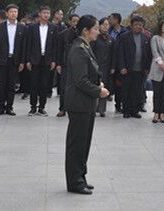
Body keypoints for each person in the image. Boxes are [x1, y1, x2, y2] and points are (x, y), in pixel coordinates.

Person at [64, 15, 109, 195]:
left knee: (84, 143)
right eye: (95, 28)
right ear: (85, 30)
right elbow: (80, 80)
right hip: (79, 103)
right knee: (77, 144)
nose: (98, 31)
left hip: (87, 103)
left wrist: (98, 83)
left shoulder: (85, 46)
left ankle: (81, 177)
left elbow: (90, 73)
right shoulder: (78, 49)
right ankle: (74, 182)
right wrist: (99, 91)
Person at [115, 15, 152, 119]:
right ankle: (126, 110)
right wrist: (122, 67)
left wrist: (147, 68)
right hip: (127, 69)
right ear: (131, 26)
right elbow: (120, 53)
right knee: (126, 90)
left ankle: (135, 111)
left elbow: (149, 55)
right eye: (136, 24)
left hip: (140, 69)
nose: (138, 26)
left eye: (140, 25)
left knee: (137, 91)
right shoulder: (124, 37)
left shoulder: (146, 38)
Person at [0, 4, 27, 116]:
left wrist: (22, 61)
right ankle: (0, 107)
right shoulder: (0, 27)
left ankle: (9, 107)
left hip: (15, 60)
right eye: (11, 12)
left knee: (12, 85)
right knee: (2, 85)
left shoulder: (22, 28)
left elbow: (24, 46)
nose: (13, 14)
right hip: (2, 59)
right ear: (7, 14)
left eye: (15, 12)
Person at [25, 6, 58, 116]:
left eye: (48, 13)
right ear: (39, 14)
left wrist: (54, 60)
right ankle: (33, 107)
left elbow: (54, 46)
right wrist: (28, 60)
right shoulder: (32, 27)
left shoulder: (53, 28)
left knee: (44, 84)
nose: (46, 15)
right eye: (44, 13)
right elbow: (28, 44)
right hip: (34, 59)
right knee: (33, 84)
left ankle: (42, 107)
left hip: (47, 59)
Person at [56, 14, 80, 117]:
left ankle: (75, 108)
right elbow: (59, 50)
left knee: (78, 87)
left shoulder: (82, 34)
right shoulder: (63, 34)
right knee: (64, 88)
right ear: (69, 22)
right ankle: (62, 108)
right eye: (73, 21)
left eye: (77, 21)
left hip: (78, 65)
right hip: (65, 64)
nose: (75, 23)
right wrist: (58, 64)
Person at [91, 18, 113, 117]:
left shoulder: (111, 39)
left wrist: (113, 66)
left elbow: (113, 54)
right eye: (103, 24)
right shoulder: (95, 38)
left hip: (107, 67)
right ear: (99, 26)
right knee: (95, 86)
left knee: (105, 86)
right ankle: (93, 107)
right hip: (96, 65)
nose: (105, 26)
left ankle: (102, 109)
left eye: (107, 24)